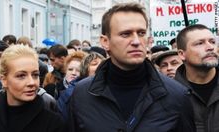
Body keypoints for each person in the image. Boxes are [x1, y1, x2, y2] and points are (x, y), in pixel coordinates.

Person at [69, 2, 195, 132]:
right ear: (105, 42)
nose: (136, 41)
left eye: (141, 33)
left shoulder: (177, 95)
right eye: (126, 34)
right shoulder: (82, 94)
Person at [0, 45, 65, 132]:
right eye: (21, 76)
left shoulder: (54, 124)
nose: (31, 82)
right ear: (4, 80)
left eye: (35, 75)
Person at [175, 24, 219, 132]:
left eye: (213, 42)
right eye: (199, 43)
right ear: (182, 54)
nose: (210, 47)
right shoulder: (169, 94)